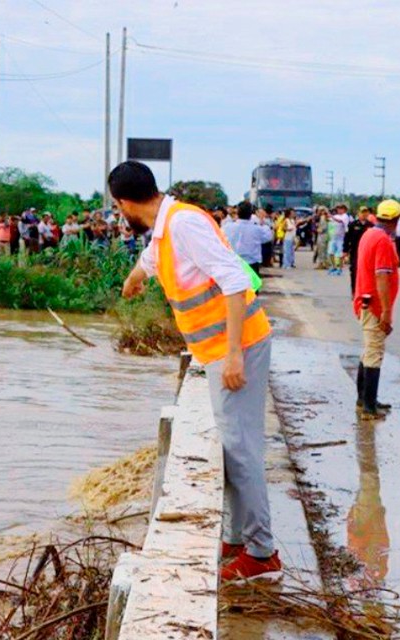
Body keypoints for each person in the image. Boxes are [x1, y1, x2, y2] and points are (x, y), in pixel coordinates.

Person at [113, 161, 279, 582]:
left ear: (124, 203)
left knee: (242, 449)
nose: (120, 214)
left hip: (237, 347)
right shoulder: (166, 228)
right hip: (220, 350)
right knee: (233, 446)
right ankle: (237, 540)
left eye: (117, 208)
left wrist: (235, 355)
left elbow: (235, 282)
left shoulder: (183, 224)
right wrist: (133, 280)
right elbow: (150, 261)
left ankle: (262, 553)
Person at [353, 199, 400, 420]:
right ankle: (368, 408)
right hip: (374, 303)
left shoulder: (369, 234)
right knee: (374, 352)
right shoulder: (382, 240)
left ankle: (364, 399)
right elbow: (382, 276)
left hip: (364, 298)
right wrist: (386, 311)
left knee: (368, 350)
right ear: (395, 220)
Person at [224, 201, 273, 275]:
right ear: (251, 213)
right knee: (250, 282)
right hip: (251, 264)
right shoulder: (257, 229)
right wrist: (262, 221)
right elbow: (268, 236)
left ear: (237, 212)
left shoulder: (227, 227)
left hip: (233, 262)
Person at [344, 206, 375, 296]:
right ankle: (354, 291)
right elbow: (347, 238)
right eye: (362, 212)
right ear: (358, 213)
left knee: (367, 272)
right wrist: (345, 250)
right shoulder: (352, 225)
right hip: (355, 251)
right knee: (354, 271)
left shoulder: (371, 225)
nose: (364, 214)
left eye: (366, 212)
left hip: (367, 252)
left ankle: (365, 291)